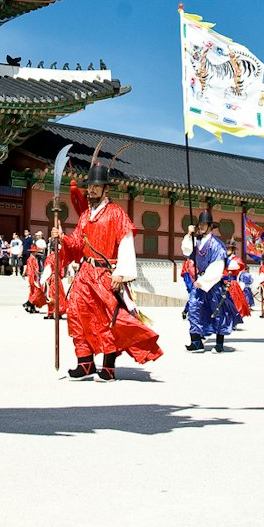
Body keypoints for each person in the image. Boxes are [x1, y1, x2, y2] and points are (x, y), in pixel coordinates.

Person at [52, 160, 161, 381]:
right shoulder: (85, 216)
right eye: (89, 186)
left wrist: (121, 273)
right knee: (76, 314)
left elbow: (127, 244)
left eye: (96, 186)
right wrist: (61, 238)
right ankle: (85, 363)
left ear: (105, 189)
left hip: (105, 274)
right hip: (84, 274)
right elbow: (76, 244)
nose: (91, 190)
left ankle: (108, 367)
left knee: (106, 319)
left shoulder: (116, 213)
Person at [181, 211, 242, 353]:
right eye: (199, 224)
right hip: (199, 282)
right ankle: (196, 341)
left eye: (203, 224)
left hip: (212, 283)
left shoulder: (217, 245)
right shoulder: (196, 242)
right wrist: (189, 234)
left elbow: (218, 267)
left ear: (209, 226)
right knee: (194, 308)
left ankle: (219, 343)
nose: (201, 227)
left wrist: (203, 280)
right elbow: (186, 250)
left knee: (217, 311)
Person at [23, 243, 46, 313]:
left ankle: (32, 307)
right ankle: (28, 303)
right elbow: (30, 270)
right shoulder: (31, 259)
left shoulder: (33, 258)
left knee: (33, 292)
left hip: (35, 276)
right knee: (37, 292)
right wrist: (32, 279)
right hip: (33, 278)